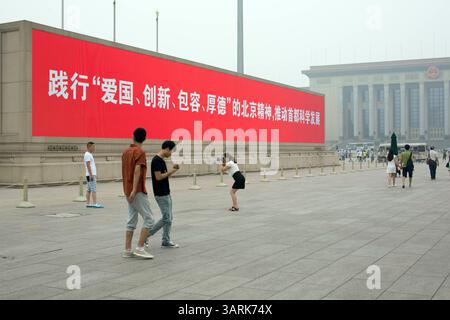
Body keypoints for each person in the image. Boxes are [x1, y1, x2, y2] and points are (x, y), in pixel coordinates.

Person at [121, 128, 155, 259]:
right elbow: (137, 170)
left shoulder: (125, 152)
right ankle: (140, 248)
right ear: (144, 138)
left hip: (127, 189)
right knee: (149, 219)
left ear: (133, 136)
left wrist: (129, 190)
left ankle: (127, 250)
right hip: (137, 191)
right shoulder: (139, 152)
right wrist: (135, 190)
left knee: (131, 219)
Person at [145, 140, 180, 249]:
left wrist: (173, 171)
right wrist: (172, 171)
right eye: (171, 151)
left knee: (169, 217)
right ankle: (146, 235)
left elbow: (163, 175)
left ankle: (166, 240)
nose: (171, 154)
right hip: (161, 194)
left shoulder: (161, 160)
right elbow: (159, 177)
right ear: (167, 149)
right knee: (166, 218)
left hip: (166, 192)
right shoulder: (156, 161)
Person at [84, 142, 104, 208]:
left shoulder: (89, 154)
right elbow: (88, 165)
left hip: (89, 174)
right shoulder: (87, 155)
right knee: (93, 189)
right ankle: (95, 203)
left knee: (89, 189)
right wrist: (91, 174)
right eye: (93, 147)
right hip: (90, 175)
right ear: (89, 147)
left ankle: (88, 203)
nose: (94, 148)